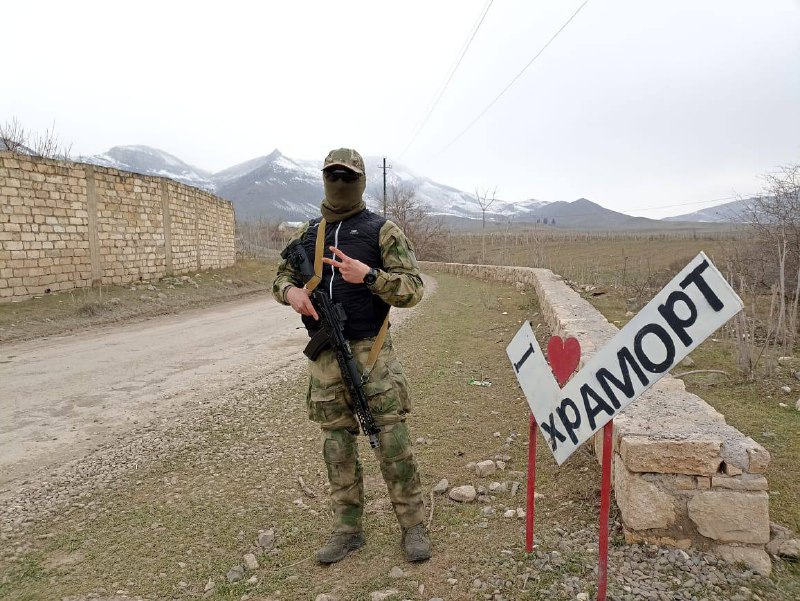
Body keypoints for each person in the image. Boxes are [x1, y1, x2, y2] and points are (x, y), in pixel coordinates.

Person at [272, 148, 431, 564]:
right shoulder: (308, 234)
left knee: (392, 440)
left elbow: (413, 289)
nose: (339, 182)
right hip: (325, 355)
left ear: (360, 181)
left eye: (348, 175)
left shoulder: (382, 230)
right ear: (324, 178)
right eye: (332, 175)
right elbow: (281, 277)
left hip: (371, 351)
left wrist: (370, 276)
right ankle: (348, 530)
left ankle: (412, 525)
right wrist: (291, 292)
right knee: (336, 446)